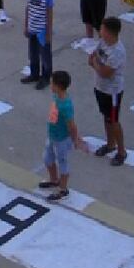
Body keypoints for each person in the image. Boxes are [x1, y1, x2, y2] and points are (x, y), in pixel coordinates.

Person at [39, 71, 82, 202]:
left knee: (62, 162)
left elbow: (72, 125)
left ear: (58, 86)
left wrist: (75, 139)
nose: (50, 86)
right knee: (47, 158)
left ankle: (63, 189)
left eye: (52, 83)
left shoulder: (66, 105)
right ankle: (54, 180)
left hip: (61, 139)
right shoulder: (57, 97)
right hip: (53, 135)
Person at [91, 17, 128, 166]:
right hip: (100, 87)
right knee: (106, 118)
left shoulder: (117, 51)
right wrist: (97, 64)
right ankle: (110, 144)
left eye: (102, 29)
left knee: (113, 120)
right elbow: (93, 58)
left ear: (109, 32)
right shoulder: (102, 42)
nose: (100, 31)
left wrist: (96, 63)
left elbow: (105, 72)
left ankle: (121, 151)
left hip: (112, 91)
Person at [20, 0, 56, 90]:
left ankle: (46, 77)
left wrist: (48, 33)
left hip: (42, 30)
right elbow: (28, 8)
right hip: (32, 28)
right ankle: (34, 74)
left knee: (45, 55)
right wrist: (26, 26)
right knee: (33, 54)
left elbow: (49, 13)